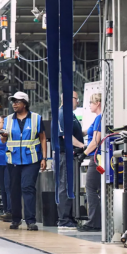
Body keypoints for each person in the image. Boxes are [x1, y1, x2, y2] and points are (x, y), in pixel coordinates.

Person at [3, 91, 47, 231]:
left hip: (31, 159)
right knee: (14, 190)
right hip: (13, 159)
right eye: (13, 101)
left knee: (28, 188)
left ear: (25, 103)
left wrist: (44, 158)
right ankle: (16, 220)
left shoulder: (36, 119)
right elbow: (4, 140)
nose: (14, 104)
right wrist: (3, 136)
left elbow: (42, 138)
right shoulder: (8, 120)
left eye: (17, 101)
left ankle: (30, 221)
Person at [55, 91, 85, 230]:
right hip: (64, 155)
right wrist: (82, 145)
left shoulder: (70, 115)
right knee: (65, 186)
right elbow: (66, 136)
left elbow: (75, 132)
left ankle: (69, 217)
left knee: (69, 186)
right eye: (76, 99)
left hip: (70, 155)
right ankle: (64, 220)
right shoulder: (62, 114)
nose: (77, 102)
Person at [77, 93, 103, 232]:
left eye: (91, 103)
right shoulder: (97, 119)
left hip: (97, 158)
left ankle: (94, 222)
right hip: (96, 157)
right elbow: (88, 132)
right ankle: (97, 221)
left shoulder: (100, 117)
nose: (89, 106)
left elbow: (96, 141)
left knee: (91, 188)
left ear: (98, 103)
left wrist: (84, 154)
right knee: (96, 189)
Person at [0, 116, 12, 222]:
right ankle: (5, 211)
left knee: (8, 187)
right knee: (3, 188)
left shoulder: (8, 134)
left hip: (8, 162)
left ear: (4, 123)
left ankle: (10, 211)